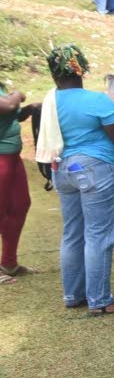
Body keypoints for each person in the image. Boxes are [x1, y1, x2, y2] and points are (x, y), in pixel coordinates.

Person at [45, 45, 114, 315]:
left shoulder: (51, 101)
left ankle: (73, 295)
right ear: (81, 69)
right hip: (95, 169)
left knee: (72, 233)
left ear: (53, 73)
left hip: (63, 169)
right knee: (99, 235)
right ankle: (100, 300)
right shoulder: (97, 100)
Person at [0, 82, 34, 283]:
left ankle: (8, 263)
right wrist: (18, 94)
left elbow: (11, 114)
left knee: (20, 205)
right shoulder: (9, 94)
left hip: (12, 158)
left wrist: (28, 111)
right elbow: (9, 106)